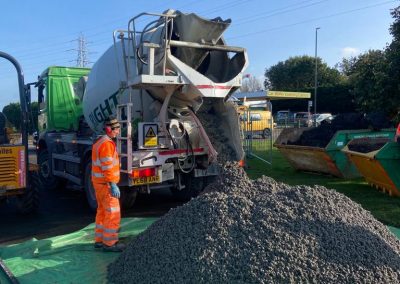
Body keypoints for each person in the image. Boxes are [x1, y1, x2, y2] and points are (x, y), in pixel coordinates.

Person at [91, 116, 125, 252]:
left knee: (102, 212)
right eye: (116, 129)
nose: (118, 132)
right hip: (106, 185)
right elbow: (107, 166)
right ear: (109, 129)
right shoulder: (106, 144)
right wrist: (112, 184)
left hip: (99, 184)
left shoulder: (99, 142)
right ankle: (110, 243)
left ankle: (99, 240)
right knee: (113, 213)